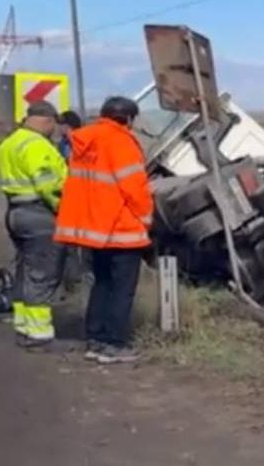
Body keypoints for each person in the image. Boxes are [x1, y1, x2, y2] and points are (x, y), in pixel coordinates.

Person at [55, 96, 153, 364]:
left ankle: (95, 339)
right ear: (129, 119)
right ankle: (114, 343)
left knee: (102, 285)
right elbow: (135, 188)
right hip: (121, 230)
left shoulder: (85, 140)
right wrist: (146, 218)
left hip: (95, 230)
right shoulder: (121, 141)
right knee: (122, 290)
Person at [0, 101, 69, 347]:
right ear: (47, 121)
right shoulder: (37, 146)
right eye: (53, 126)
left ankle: (24, 324)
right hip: (39, 214)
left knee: (24, 271)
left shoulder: (9, 144)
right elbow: (49, 184)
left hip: (15, 212)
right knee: (43, 273)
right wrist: (64, 208)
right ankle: (40, 335)